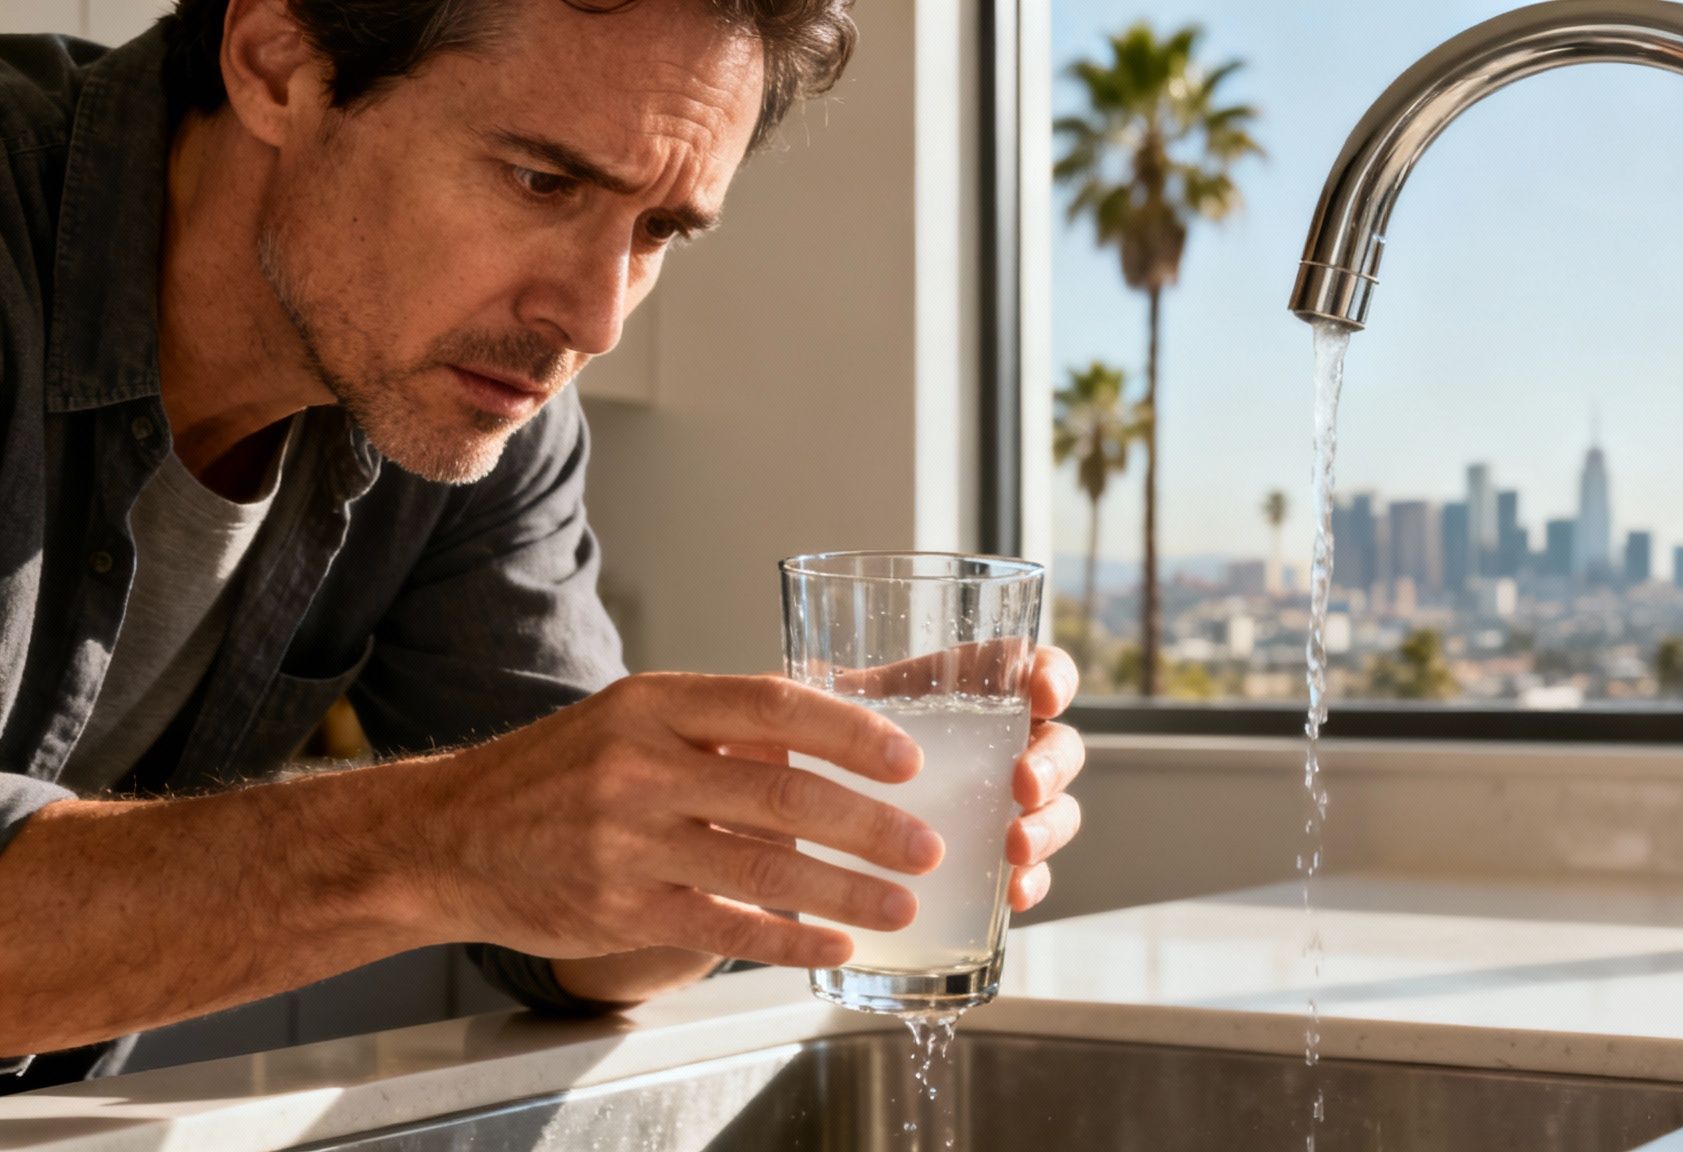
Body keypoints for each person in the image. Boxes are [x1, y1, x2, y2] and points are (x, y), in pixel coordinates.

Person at [0, 0, 1086, 1090]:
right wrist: (439, 837)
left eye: (658, 230)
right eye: (541, 182)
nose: (595, 318)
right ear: (276, 59)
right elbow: (476, 840)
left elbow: (571, 937)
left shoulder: (473, 408)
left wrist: (753, 825)